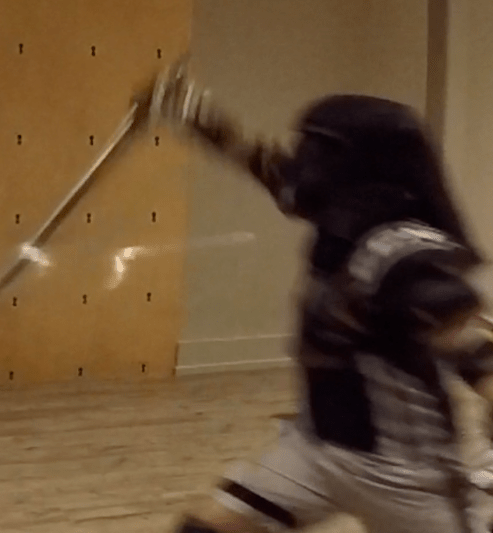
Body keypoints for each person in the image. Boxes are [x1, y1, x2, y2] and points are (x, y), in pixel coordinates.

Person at [137, 62, 493, 532]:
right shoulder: (340, 217)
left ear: (358, 165)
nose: (304, 164)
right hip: (316, 451)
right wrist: (195, 115)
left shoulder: (411, 256)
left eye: (318, 152)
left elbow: (475, 353)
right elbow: (272, 170)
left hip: (403, 476)